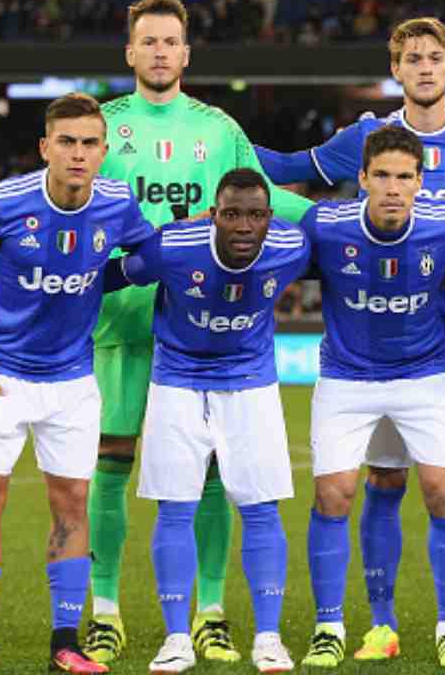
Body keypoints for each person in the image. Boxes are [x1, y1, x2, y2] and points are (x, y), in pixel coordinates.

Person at [255, 16, 445, 661]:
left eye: (434, 57)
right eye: (412, 58)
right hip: (383, 338)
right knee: (386, 479)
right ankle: (381, 623)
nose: (424, 67)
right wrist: (219, 143)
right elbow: (286, 168)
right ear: (395, 69)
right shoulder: (367, 139)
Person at [85, 0, 315, 665]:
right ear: (130, 52)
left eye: (170, 42)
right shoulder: (103, 125)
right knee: (110, 461)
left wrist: (339, 217)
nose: (159, 52)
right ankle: (105, 610)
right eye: (148, 41)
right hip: (121, 321)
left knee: (211, 472)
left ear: (186, 54)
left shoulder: (218, 129)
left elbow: (264, 200)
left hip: (197, 327)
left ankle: (210, 611)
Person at [0, 93, 155, 675]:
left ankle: (66, 641)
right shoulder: (3, 202)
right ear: (45, 147)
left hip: (72, 380)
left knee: (73, 502)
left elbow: (144, 257)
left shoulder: (117, 203)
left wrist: (117, 271)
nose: (78, 153)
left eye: (89, 143)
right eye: (66, 142)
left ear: (104, 151)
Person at [298, 126, 445, 669]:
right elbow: (279, 252)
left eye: (403, 177)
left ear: (420, 181)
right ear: (362, 179)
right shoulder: (325, 224)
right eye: (382, 176)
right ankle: (336, 626)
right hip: (347, 378)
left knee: (444, 491)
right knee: (334, 495)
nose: (392, 188)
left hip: (425, 376)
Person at [102, 168, 310, 673]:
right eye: (232, 214)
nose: (244, 226)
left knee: (261, 508)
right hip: (176, 380)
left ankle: (268, 638)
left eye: (255, 215)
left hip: (251, 383)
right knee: (176, 507)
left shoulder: (292, 246)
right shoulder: (174, 246)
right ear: (213, 215)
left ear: (270, 218)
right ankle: (177, 639)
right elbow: (115, 275)